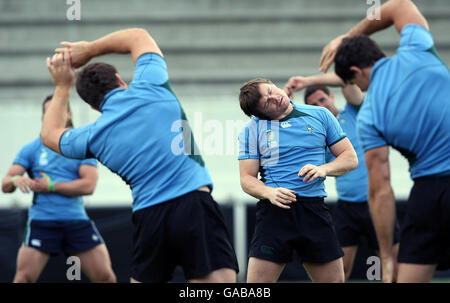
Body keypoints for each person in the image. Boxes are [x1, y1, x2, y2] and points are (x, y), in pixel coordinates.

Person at [42, 28, 238, 283]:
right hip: (193, 205)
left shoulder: (93, 137)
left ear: (92, 106)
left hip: (149, 218)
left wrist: (62, 86)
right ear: (119, 79)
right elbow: (138, 36)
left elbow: (49, 135)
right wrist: (89, 49)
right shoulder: (152, 85)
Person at [320, 0, 450, 282]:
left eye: (353, 83)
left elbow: (380, 190)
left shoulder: (370, 116)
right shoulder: (417, 48)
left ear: (355, 72)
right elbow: (398, 5)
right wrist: (351, 34)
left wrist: (386, 255)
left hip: (430, 194)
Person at [237, 78, 358, 282]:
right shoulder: (251, 130)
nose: (276, 97)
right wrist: (269, 193)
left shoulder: (320, 114)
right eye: (268, 102)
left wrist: (323, 169)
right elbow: (247, 178)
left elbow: (349, 158)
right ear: (261, 114)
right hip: (274, 212)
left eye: (271, 90)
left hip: (313, 210)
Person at [284, 72, 400, 281]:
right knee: (339, 271)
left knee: (391, 268)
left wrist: (306, 82)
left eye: (322, 99)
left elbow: (347, 80)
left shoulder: (356, 112)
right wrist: (285, 102)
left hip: (376, 201)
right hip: (347, 208)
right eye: (315, 104)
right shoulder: (319, 132)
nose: (322, 104)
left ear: (332, 97)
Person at [1, 96, 116, 283]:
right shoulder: (31, 149)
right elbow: (6, 183)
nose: (51, 115)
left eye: (56, 110)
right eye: (48, 112)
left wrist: (52, 186)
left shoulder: (80, 146)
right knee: (24, 278)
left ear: (68, 114)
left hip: (75, 220)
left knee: (105, 277)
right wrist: (16, 179)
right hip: (42, 221)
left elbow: (88, 186)